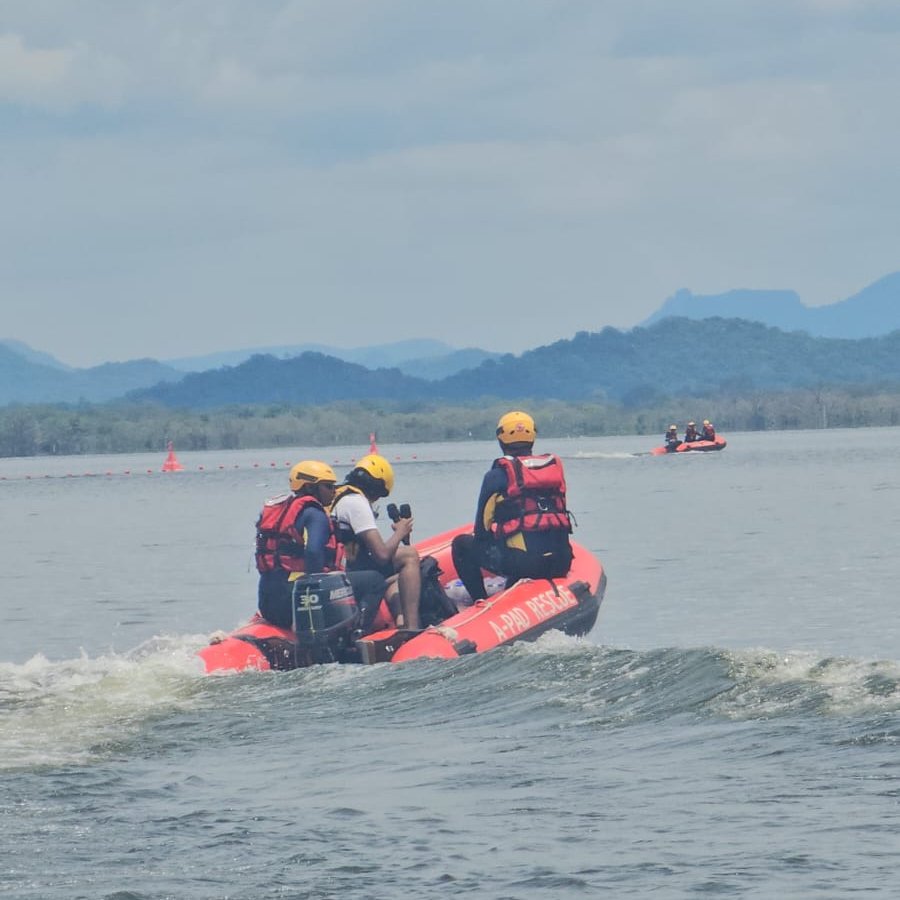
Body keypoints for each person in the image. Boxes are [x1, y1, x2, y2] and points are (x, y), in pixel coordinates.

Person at [450, 410, 573, 601]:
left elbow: (481, 531)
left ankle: (479, 601)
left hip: (525, 564)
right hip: (560, 561)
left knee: (461, 545)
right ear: (533, 437)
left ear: (501, 440)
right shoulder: (552, 470)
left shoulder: (496, 476)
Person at [255, 460, 386, 631]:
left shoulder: (281, 511)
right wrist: (323, 583)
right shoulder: (315, 514)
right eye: (328, 486)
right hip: (299, 601)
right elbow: (313, 552)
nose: (334, 491)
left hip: (268, 602)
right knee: (375, 580)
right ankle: (358, 633)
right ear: (311, 488)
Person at [330, 453, 422, 631]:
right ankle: (412, 627)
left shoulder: (339, 496)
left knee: (395, 578)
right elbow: (382, 555)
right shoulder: (357, 503)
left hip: (348, 562)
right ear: (376, 487)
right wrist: (401, 532)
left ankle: (400, 620)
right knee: (410, 556)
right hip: (354, 569)